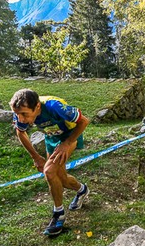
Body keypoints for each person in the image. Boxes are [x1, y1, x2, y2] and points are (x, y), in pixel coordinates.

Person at [10, 88, 90, 237]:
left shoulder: (54, 106)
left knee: (49, 171)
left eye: (24, 115)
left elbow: (84, 121)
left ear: (37, 107)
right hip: (51, 137)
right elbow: (20, 132)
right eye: (17, 114)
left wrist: (67, 143)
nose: (20, 119)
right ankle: (82, 190)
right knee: (61, 178)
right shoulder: (20, 109)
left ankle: (58, 215)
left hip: (69, 136)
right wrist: (35, 156)